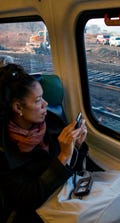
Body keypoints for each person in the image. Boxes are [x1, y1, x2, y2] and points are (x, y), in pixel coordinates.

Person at [0, 64, 89, 222]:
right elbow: (26, 199)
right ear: (18, 107)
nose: (46, 104)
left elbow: (73, 171)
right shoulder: (5, 149)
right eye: (38, 100)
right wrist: (62, 157)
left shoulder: (52, 123)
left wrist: (77, 147)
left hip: (65, 195)